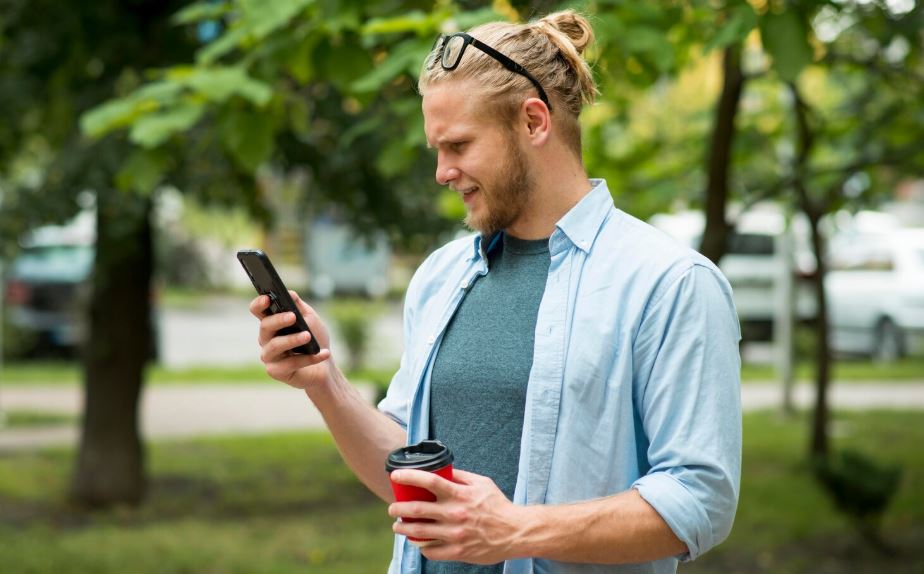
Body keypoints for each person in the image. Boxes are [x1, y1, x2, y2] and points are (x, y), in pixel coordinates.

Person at [250, 9, 741, 574]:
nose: (441, 171)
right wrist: (324, 383)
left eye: (458, 145)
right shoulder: (440, 276)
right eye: (437, 149)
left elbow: (700, 500)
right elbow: (405, 472)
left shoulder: (671, 283)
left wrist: (513, 530)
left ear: (534, 123)